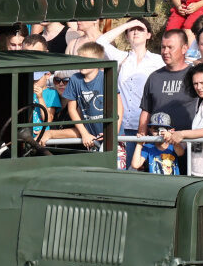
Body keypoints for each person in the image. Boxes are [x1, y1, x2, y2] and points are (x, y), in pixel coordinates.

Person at [96, 18, 163, 165]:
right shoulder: (121, 57)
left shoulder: (158, 60)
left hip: (145, 125)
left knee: (139, 168)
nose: (135, 32)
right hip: (122, 125)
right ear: (126, 35)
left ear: (149, 35)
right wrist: (128, 24)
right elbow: (100, 42)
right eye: (132, 30)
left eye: (141, 29)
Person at [139, 30, 195, 143]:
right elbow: (146, 110)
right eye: (163, 47)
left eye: (170, 47)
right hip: (158, 147)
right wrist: (142, 135)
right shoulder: (154, 77)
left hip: (186, 145)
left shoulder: (195, 76)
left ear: (184, 48)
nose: (165, 51)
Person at [63, 42, 115, 151]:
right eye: (79, 58)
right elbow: (72, 109)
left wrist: (111, 134)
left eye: (85, 59)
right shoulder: (75, 79)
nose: (81, 62)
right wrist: (84, 133)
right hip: (91, 137)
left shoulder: (106, 76)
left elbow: (119, 109)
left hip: (112, 135)